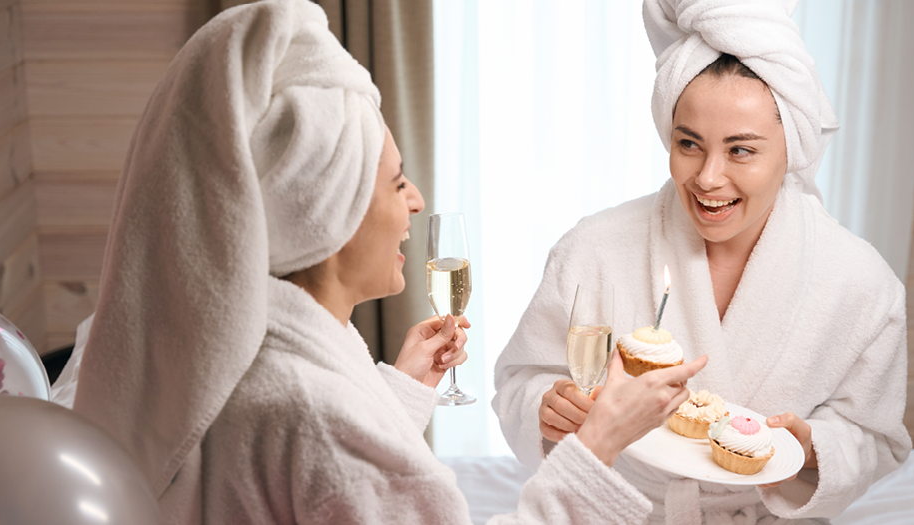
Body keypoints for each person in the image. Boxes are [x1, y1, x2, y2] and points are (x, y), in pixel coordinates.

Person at [70, 0, 708, 523]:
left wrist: (398, 391)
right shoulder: (311, 407)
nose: (417, 201)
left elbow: (317, 492)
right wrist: (598, 447)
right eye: (397, 182)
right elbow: (331, 447)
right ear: (326, 208)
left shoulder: (240, 338)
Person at [492, 1, 912, 523]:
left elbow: (876, 436)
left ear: (792, 147)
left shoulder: (861, 283)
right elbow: (521, 379)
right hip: (621, 510)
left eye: (741, 151)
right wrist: (546, 406)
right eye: (689, 144)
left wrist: (811, 448)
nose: (708, 178)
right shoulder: (593, 249)